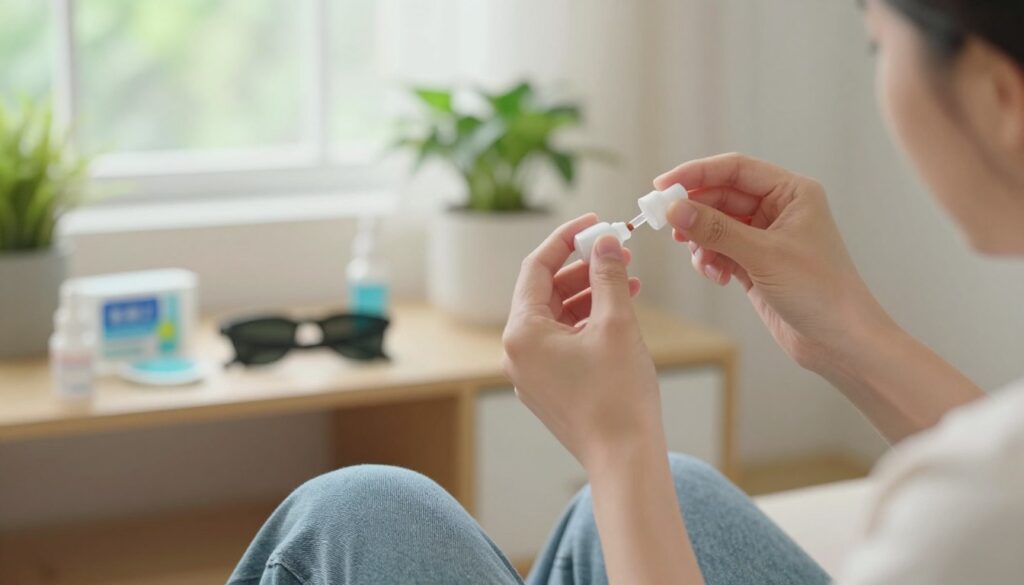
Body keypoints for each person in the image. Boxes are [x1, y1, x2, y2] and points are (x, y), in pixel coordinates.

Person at [228, 0, 1024, 583]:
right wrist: (851, 333)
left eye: (877, 45)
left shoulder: (959, 521)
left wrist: (617, 446)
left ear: (1000, 97)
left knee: (363, 510)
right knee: (681, 489)